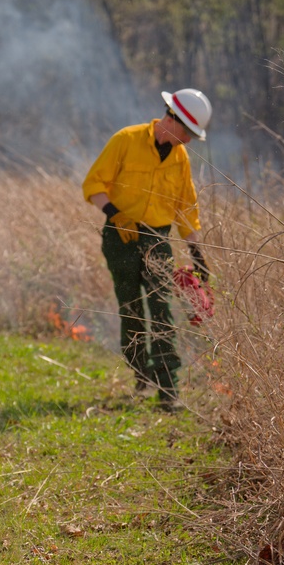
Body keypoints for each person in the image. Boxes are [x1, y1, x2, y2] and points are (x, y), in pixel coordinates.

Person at [82, 88, 212, 409]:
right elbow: (93, 184)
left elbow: (186, 207)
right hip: (119, 237)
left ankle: (169, 392)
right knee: (132, 310)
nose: (190, 141)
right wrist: (116, 215)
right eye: (189, 132)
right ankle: (142, 377)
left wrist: (197, 254)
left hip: (158, 241)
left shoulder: (180, 157)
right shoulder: (126, 140)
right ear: (172, 118)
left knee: (163, 311)